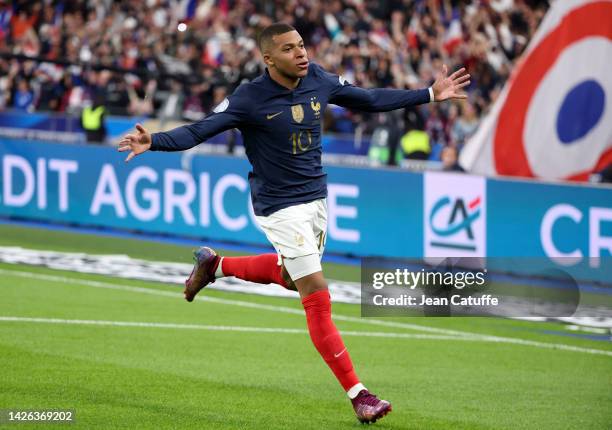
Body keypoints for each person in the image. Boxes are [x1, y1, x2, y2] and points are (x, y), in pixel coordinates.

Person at [118, 22, 469, 424]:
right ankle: (360, 395)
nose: (301, 53)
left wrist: (428, 94)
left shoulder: (318, 78)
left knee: (289, 276)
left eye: (302, 45)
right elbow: (199, 130)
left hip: (315, 200)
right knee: (317, 294)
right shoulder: (248, 98)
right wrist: (154, 141)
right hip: (277, 206)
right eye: (289, 49)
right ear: (268, 59)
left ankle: (215, 266)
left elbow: (368, 98)